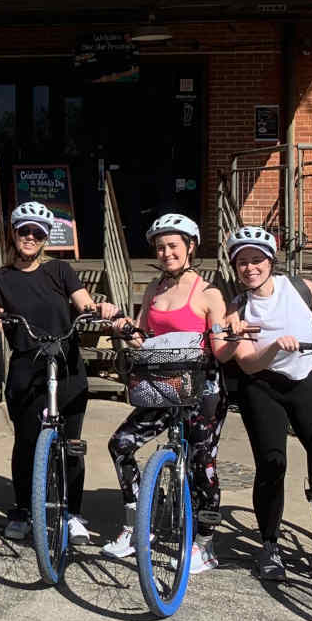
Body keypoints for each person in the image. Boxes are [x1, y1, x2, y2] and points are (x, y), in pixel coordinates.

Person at [0, 201, 120, 542]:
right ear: (13, 234)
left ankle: (73, 513)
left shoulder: (59, 270)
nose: (30, 237)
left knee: (71, 443)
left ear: (45, 239)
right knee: (27, 442)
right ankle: (24, 509)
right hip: (27, 366)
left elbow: (83, 303)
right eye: (24, 231)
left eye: (37, 233)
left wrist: (99, 309)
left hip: (66, 363)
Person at [224, 225, 312, 586]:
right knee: (272, 464)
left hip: (307, 381)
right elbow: (248, 364)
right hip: (262, 388)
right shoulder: (237, 308)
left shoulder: (301, 289)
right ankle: (269, 547)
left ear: (271, 261)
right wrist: (274, 347)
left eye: (257, 260)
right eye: (242, 262)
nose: (250, 268)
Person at [104, 214, 233, 576]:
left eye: (173, 245)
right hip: (161, 387)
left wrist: (231, 334)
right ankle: (137, 522)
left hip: (201, 390)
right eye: (160, 247)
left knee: (201, 463)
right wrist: (123, 327)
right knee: (121, 445)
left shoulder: (208, 293)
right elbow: (143, 340)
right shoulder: (154, 290)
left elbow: (221, 351)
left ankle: (204, 543)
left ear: (190, 247)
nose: (166, 253)